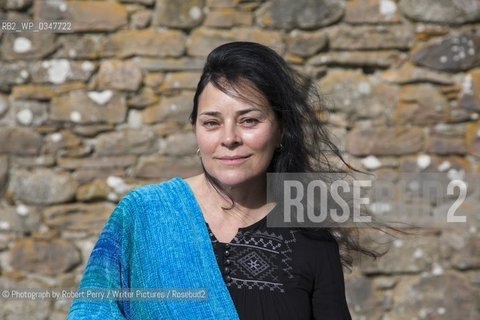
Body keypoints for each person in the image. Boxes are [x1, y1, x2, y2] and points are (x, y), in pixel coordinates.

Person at [67, 41, 380, 319]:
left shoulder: (311, 241)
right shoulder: (144, 216)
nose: (229, 138)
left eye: (249, 120)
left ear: (281, 130)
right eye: (212, 122)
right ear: (196, 131)